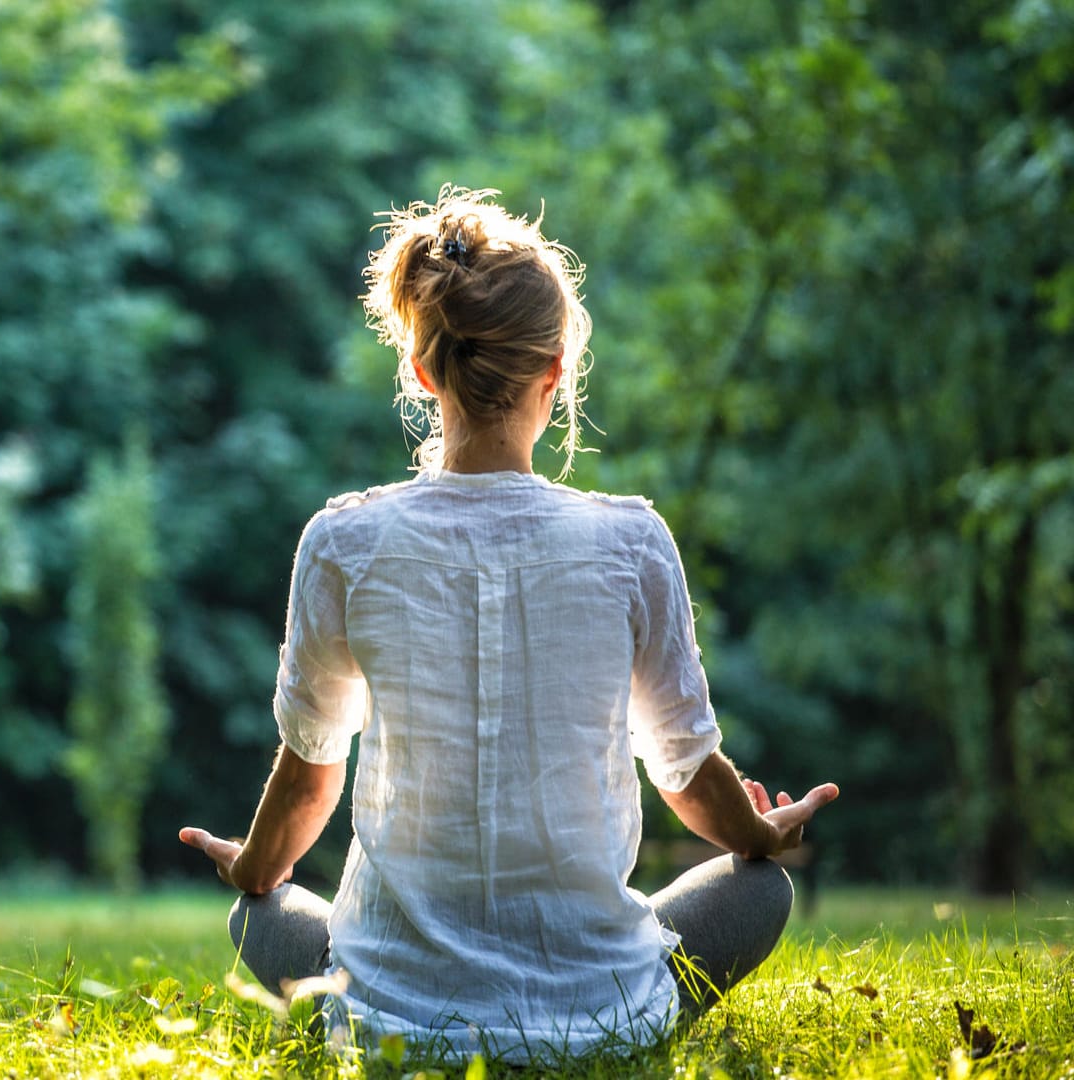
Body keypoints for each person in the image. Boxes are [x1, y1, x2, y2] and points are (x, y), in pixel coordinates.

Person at [177, 187, 839, 1064]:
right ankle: (603, 1024)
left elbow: (309, 780)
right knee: (761, 896)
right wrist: (760, 835)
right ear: (555, 373)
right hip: (600, 1013)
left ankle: (378, 1001)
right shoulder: (630, 541)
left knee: (256, 913)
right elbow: (684, 772)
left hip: (391, 1027)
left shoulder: (343, 542)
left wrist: (254, 869)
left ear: (422, 371)